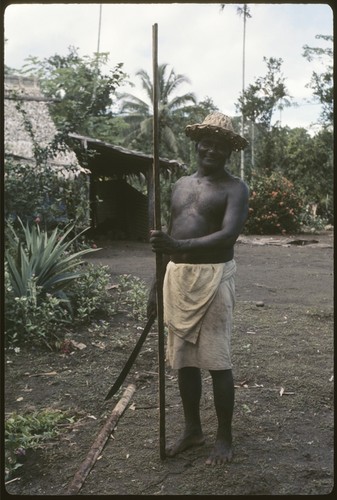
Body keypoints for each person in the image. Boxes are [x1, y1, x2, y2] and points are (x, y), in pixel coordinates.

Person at [147, 112, 249, 465]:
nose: (212, 149)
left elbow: (228, 234)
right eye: (208, 142)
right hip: (177, 277)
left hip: (214, 277)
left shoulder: (235, 188)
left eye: (221, 145)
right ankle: (193, 430)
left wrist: (176, 245)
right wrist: (155, 287)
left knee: (217, 362)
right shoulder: (179, 185)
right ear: (197, 143)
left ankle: (224, 437)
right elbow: (168, 241)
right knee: (183, 361)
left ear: (229, 151)